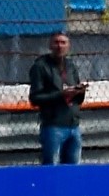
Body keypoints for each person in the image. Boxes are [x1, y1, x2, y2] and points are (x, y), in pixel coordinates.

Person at [29, 32, 86, 166]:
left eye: (63, 42)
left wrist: (79, 91)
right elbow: (35, 98)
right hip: (53, 127)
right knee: (51, 167)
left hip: (74, 126)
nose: (59, 46)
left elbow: (78, 98)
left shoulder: (71, 66)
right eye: (56, 42)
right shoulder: (40, 66)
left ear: (68, 46)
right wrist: (62, 94)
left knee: (73, 169)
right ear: (50, 45)